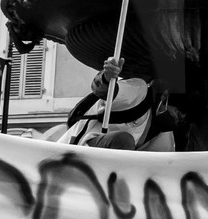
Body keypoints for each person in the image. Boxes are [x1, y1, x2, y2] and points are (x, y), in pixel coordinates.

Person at [48, 56, 177, 151]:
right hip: (85, 148)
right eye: (177, 111)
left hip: (113, 165)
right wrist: (108, 77)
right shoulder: (140, 91)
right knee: (124, 140)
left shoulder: (160, 133)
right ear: (165, 96)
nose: (179, 117)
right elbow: (107, 92)